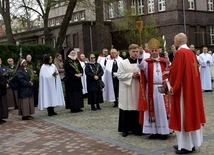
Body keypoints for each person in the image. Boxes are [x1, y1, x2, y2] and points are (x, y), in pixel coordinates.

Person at [167, 33, 206, 154]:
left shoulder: (180, 53)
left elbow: (176, 72)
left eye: (174, 40)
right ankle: (190, 143)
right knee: (192, 116)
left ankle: (185, 146)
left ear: (178, 41)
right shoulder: (191, 53)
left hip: (183, 92)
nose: (174, 42)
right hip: (192, 90)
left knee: (184, 117)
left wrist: (169, 84)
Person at [138, 38, 171, 140]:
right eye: (152, 51)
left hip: (162, 88)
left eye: (156, 50)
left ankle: (164, 131)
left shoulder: (163, 61)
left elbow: (169, 71)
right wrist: (140, 54)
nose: (154, 52)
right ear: (150, 52)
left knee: (162, 109)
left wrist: (168, 63)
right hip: (150, 88)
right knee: (152, 109)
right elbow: (140, 66)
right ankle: (153, 131)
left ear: (159, 51)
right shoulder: (146, 62)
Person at [117, 44, 142, 137]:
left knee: (136, 108)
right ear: (129, 52)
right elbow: (119, 75)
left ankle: (137, 129)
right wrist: (131, 75)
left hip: (137, 87)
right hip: (126, 88)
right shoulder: (123, 63)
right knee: (126, 108)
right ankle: (125, 129)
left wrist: (139, 75)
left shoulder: (141, 62)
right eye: (133, 51)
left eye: (137, 52)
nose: (135, 53)